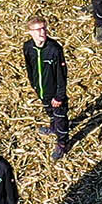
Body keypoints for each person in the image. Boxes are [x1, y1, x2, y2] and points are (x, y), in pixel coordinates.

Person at [23, 15, 70, 157]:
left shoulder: (54, 49)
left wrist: (59, 96)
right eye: (37, 30)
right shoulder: (28, 47)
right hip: (41, 91)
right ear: (30, 32)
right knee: (50, 112)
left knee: (60, 117)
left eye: (43, 28)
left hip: (55, 93)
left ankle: (62, 143)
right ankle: (53, 127)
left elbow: (62, 75)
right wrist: (35, 86)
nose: (42, 32)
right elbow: (29, 68)